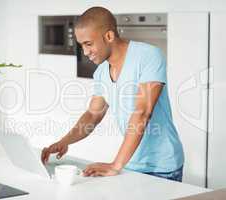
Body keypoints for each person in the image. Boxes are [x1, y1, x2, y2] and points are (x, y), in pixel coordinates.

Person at [41, 6, 184, 182]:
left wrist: (115, 165)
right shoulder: (101, 72)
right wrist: (64, 141)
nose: (85, 52)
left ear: (109, 36)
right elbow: (93, 115)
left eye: (89, 44)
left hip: (162, 167)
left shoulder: (149, 56)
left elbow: (142, 113)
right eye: (81, 45)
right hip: (130, 165)